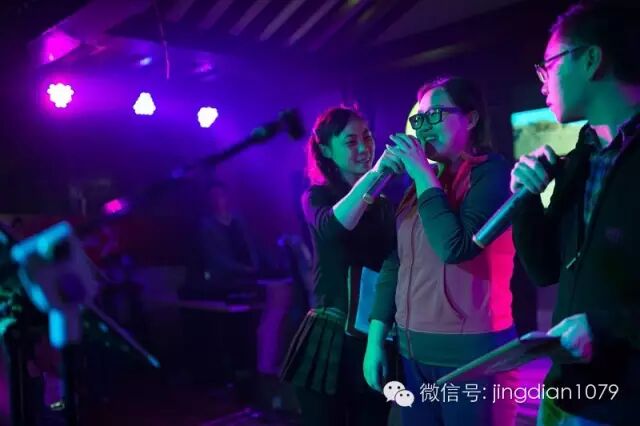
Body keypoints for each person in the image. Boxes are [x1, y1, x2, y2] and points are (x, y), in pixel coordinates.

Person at [510, 1, 640, 425]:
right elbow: (544, 269)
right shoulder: (581, 155)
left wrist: (604, 326)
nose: (543, 84)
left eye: (548, 66)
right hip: (567, 388)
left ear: (590, 60)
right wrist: (526, 199)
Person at [365, 76, 518, 426]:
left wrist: (422, 174)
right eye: (419, 118)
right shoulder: (421, 185)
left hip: (473, 359)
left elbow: (455, 247)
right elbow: (395, 263)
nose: (423, 126)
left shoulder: (492, 175)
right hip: (412, 355)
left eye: (435, 114)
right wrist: (376, 340)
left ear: (471, 118)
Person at [280, 106, 398, 426]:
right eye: (350, 141)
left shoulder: (384, 206)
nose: (364, 147)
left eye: (367, 137)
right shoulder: (316, 196)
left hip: (373, 332)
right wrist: (377, 174)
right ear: (326, 150)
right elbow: (334, 227)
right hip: (329, 335)